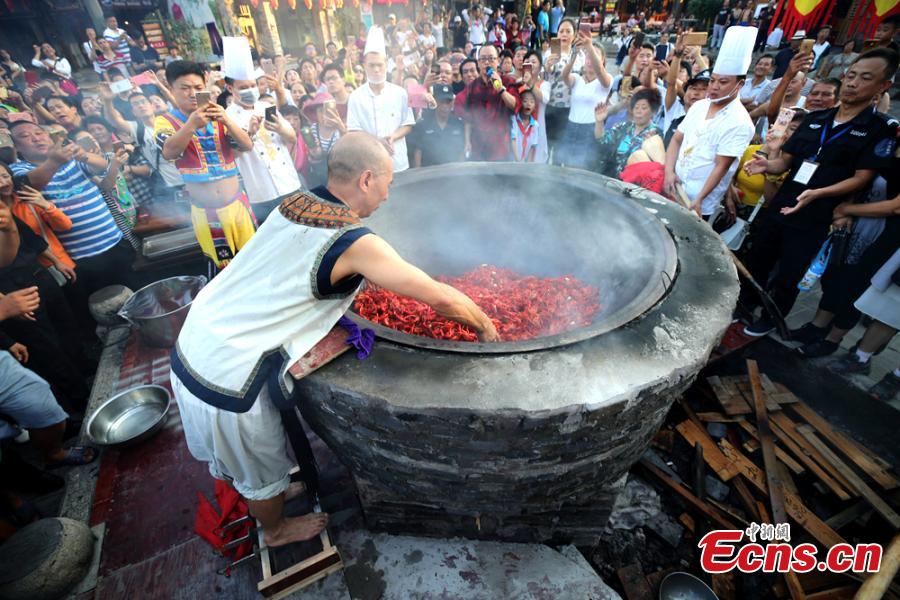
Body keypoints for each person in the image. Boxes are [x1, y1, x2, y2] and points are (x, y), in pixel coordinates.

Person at [170, 132, 499, 550]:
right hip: (226, 375)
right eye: (387, 182)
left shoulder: (294, 202)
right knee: (259, 467)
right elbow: (438, 296)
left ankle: (268, 497)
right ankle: (274, 529)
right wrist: (486, 328)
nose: (387, 193)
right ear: (366, 179)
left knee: (249, 463)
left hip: (196, 338)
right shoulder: (353, 242)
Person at [740, 49, 899, 337]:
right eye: (851, 76)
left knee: (790, 272)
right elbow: (785, 161)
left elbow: (862, 177)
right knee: (759, 258)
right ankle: (743, 307)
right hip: (783, 203)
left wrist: (820, 193)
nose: (853, 83)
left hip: (819, 213)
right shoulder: (816, 119)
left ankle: (771, 319)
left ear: (882, 86)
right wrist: (766, 165)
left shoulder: (880, 130)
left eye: (865, 78)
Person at [9, 121, 136, 294]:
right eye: (25, 136)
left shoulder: (72, 161)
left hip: (115, 242)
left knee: (135, 291)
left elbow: (101, 165)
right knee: (104, 305)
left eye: (39, 133)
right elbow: (29, 184)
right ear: (16, 148)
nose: (35, 138)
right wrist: (54, 161)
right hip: (80, 257)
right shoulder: (17, 170)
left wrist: (83, 155)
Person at [155, 60, 256, 270]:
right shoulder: (165, 121)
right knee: (223, 269)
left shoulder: (219, 115)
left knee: (254, 262)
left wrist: (227, 120)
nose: (192, 93)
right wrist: (191, 124)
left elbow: (246, 145)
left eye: (198, 88)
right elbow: (169, 152)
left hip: (237, 206)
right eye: (185, 88)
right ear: (171, 89)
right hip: (206, 213)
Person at [665, 27, 756, 221]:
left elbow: (721, 167)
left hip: (700, 204)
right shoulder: (699, 106)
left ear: (740, 85)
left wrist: (699, 199)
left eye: (723, 82)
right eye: (713, 80)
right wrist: (668, 173)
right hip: (675, 188)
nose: (714, 87)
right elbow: (676, 140)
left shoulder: (740, 122)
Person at [225, 75, 302, 223]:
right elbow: (232, 154)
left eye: (252, 85)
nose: (250, 90)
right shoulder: (228, 116)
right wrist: (250, 133)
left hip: (288, 183)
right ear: (230, 88)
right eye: (243, 88)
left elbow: (292, 137)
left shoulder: (266, 107)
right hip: (260, 191)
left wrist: (280, 128)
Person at [347, 27, 415, 173]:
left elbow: (408, 124)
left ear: (386, 64)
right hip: (370, 164)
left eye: (380, 65)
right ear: (364, 66)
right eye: (371, 65)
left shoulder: (400, 93)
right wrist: (377, 141)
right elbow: (353, 131)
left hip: (398, 162)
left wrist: (392, 137)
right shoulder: (356, 97)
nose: (376, 70)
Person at [100, 85, 184, 202]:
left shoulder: (168, 121)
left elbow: (181, 110)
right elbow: (114, 120)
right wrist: (108, 101)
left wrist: (160, 85)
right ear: (133, 112)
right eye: (135, 104)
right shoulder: (137, 128)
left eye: (143, 101)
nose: (140, 105)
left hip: (192, 177)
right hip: (169, 186)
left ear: (151, 105)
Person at [557, 30, 611, 169]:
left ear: (603, 60)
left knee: (584, 168)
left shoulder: (605, 81)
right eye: (587, 55)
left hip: (590, 129)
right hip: (571, 126)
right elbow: (564, 76)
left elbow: (599, 69)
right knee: (566, 165)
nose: (589, 60)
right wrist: (575, 54)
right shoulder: (577, 79)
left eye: (594, 56)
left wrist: (589, 46)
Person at [463, 44, 520, 161]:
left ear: (498, 61)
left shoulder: (508, 81)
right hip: (478, 148)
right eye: (483, 59)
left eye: (491, 58)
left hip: (501, 148)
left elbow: (515, 106)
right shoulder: (472, 86)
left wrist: (501, 89)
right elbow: (468, 119)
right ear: (478, 63)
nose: (487, 63)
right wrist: (467, 142)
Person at [594, 89, 662, 178]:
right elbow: (602, 140)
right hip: (611, 178)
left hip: (634, 185)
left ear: (653, 112)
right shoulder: (623, 126)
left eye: (644, 108)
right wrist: (599, 121)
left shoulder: (656, 134)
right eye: (636, 107)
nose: (638, 111)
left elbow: (656, 165)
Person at [543, 19, 584, 157]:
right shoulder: (550, 53)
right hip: (552, 107)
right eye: (561, 31)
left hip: (571, 108)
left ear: (574, 35)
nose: (564, 35)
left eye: (568, 31)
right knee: (548, 145)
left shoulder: (580, 56)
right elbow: (547, 72)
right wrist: (548, 65)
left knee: (563, 148)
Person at [411, 84, 464, 167]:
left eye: (448, 102)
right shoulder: (423, 125)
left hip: (453, 173)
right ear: (434, 101)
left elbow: (462, 152)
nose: (445, 106)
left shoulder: (458, 124)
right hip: (428, 174)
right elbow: (418, 152)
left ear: (452, 102)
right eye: (441, 101)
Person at [510, 89, 539, 162]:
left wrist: (527, 165)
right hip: (512, 160)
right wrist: (518, 161)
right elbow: (512, 140)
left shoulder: (535, 125)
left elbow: (533, 146)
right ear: (520, 103)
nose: (528, 104)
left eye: (532, 102)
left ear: (535, 106)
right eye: (525, 101)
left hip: (524, 163)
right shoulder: (513, 120)